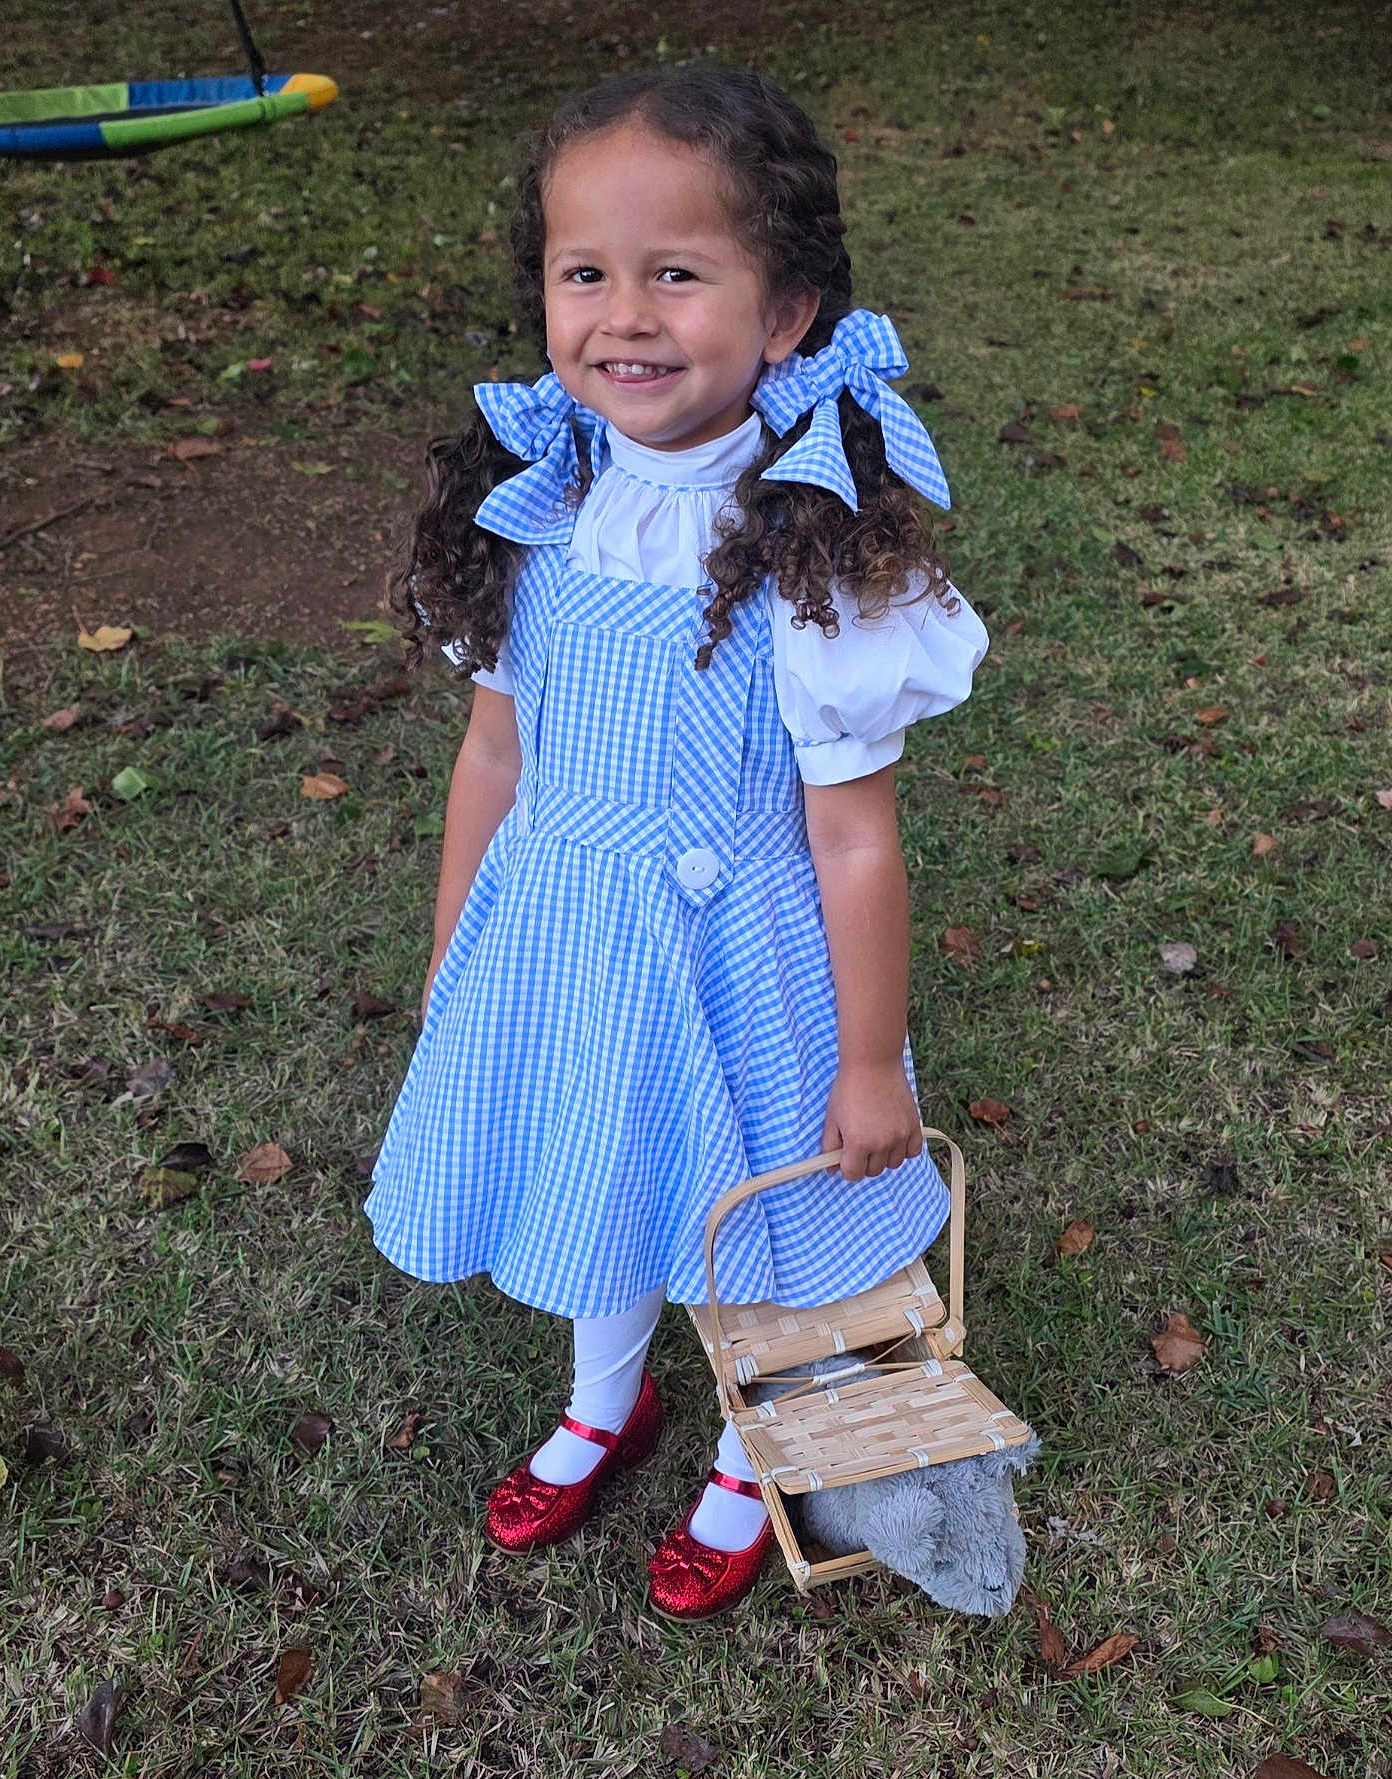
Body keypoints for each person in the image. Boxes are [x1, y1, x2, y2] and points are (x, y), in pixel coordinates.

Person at [362, 64, 988, 1621]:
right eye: (585, 274)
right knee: (602, 1170)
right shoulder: (540, 506)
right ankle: (604, 1402)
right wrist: (456, 945)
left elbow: (853, 839)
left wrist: (870, 1062)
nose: (625, 317)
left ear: (786, 315)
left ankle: (741, 1440)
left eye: (679, 275)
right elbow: (496, 751)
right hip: (566, 931)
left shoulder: (808, 548)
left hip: (738, 955)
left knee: (740, 1205)